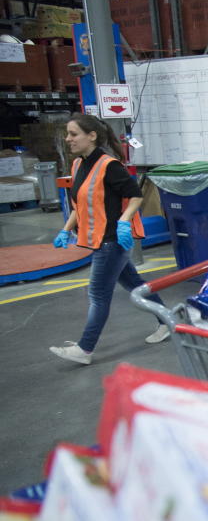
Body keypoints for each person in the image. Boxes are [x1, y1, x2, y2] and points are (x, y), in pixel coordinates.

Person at [49, 113, 168, 365]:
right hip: (98, 239)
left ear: (91, 136)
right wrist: (65, 229)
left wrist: (124, 221)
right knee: (136, 285)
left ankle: (85, 348)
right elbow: (77, 206)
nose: (68, 139)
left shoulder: (109, 165)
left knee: (98, 295)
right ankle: (168, 321)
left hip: (112, 240)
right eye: (67, 134)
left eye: (73, 134)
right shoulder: (78, 165)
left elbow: (135, 195)